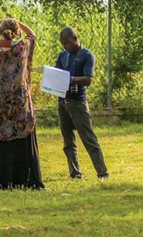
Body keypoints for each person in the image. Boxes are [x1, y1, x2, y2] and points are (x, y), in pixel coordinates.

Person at [0, 18, 44, 189]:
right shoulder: (21, 49)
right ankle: (24, 178)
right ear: (16, 33)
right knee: (21, 132)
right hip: (18, 101)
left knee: (2, 134)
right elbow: (32, 34)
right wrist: (18, 22)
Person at [55, 27, 109, 180]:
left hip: (77, 102)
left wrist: (71, 79)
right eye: (62, 44)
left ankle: (102, 172)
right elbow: (58, 74)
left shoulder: (87, 56)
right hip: (62, 101)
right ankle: (74, 172)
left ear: (75, 38)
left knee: (88, 138)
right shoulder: (62, 56)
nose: (65, 46)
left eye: (66, 43)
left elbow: (87, 79)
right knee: (68, 141)